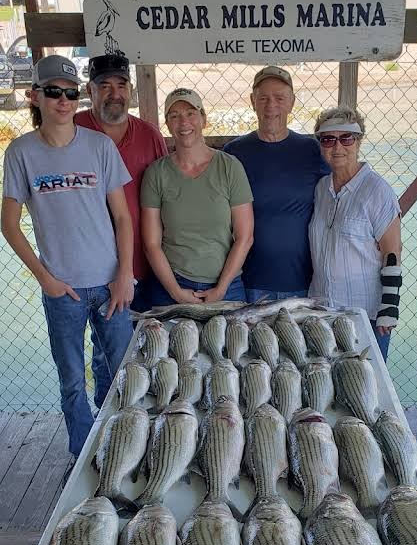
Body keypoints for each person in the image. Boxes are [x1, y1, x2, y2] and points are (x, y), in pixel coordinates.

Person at [1, 55, 134, 457]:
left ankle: (121, 449)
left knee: (121, 375)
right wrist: (46, 279)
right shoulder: (21, 153)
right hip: (63, 291)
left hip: (110, 283)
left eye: (71, 93)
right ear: (34, 96)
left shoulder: (100, 146)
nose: (63, 100)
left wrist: (124, 273)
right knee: (72, 379)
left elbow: (123, 217)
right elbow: (9, 224)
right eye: (54, 92)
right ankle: (83, 456)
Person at [140, 88, 254, 307]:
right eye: (174, 116)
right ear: (168, 123)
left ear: (203, 118)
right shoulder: (156, 173)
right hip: (172, 283)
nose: (183, 122)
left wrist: (221, 288)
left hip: (226, 285)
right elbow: (151, 244)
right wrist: (175, 291)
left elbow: (245, 236)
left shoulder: (229, 167)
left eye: (191, 113)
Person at [224, 66, 328, 302]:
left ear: (292, 102)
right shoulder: (234, 153)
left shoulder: (313, 150)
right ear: (252, 101)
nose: (271, 106)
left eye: (280, 98)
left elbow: (342, 197)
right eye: (263, 98)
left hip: (305, 284)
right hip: (248, 283)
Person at [309, 106, 402, 362]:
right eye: (328, 139)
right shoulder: (320, 189)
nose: (337, 147)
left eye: (346, 138)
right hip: (322, 312)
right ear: (320, 144)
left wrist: (389, 308)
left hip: (364, 315)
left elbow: (392, 253)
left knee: (365, 388)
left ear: (359, 141)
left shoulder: (377, 191)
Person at [74, 53, 168, 289]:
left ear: (131, 90)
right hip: (88, 266)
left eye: (121, 85)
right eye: (105, 86)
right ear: (89, 90)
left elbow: (168, 196)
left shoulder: (149, 135)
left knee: (148, 325)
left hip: (143, 262)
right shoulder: (72, 129)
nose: (115, 94)